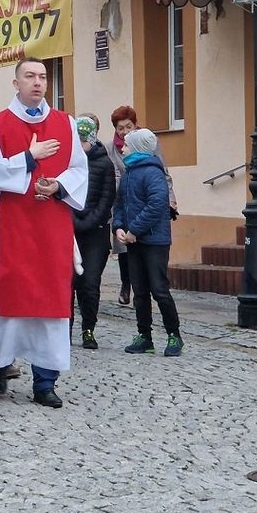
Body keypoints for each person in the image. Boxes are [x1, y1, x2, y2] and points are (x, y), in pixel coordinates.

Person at [0, 58, 88, 409]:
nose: (38, 83)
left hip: (52, 223)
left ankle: (45, 381)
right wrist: (28, 159)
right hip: (15, 222)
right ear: (16, 83)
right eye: (30, 76)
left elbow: (78, 169)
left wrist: (58, 186)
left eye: (42, 76)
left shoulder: (64, 123)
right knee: (9, 296)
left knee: (50, 302)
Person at [113, 128, 184, 357]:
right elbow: (121, 205)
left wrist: (134, 230)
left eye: (126, 144)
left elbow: (156, 205)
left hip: (154, 240)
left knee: (159, 289)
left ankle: (174, 335)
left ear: (137, 147)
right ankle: (144, 336)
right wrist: (119, 227)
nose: (122, 148)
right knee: (140, 290)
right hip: (134, 240)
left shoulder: (153, 173)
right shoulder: (129, 173)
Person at [108, 105, 176, 306]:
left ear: (135, 124)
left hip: (144, 201)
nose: (124, 131)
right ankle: (126, 283)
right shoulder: (111, 148)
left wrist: (170, 198)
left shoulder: (146, 142)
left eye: (128, 126)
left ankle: (171, 330)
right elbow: (114, 175)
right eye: (120, 128)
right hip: (124, 199)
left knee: (154, 274)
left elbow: (162, 172)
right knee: (123, 247)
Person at [71, 115, 116, 351]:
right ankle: (64, 328)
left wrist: (86, 222)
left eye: (82, 140)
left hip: (95, 232)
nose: (79, 145)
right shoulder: (68, 162)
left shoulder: (104, 163)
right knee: (68, 282)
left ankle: (88, 329)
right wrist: (73, 221)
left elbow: (106, 199)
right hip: (70, 229)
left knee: (89, 283)